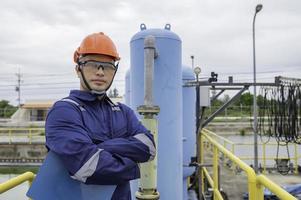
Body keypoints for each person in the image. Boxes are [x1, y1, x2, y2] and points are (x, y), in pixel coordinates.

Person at [45, 32, 156, 199]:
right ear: (78, 69)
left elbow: (148, 148)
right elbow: (88, 167)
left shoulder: (123, 111)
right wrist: (134, 167)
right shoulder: (64, 111)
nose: (100, 72)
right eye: (92, 64)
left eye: (108, 66)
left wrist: (99, 147)